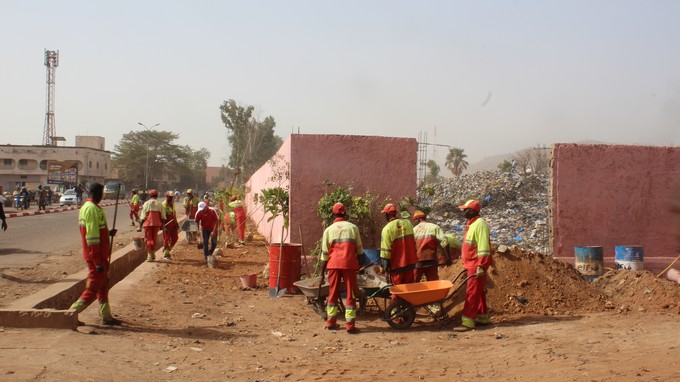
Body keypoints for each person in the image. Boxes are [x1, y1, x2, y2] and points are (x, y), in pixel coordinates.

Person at [68, 183, 120, 325]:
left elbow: (97, 230)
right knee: (93, 287)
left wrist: (108, 233)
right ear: (97, 193)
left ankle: (106, 316)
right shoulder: (90, 209)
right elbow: (91, 236)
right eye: (101, 192)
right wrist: (97, 261)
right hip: (95, 255)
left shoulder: (94, 208)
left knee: (103, 285)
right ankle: (69, 314)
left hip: (101, 254)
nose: (102, 195)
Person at [319, 203, 363, 333]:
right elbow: (359, 250)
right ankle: (350, 325)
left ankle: (331, 322)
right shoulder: (353, 228)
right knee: (351, 293)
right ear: (345, 213)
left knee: (333, 292)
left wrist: (322, 274)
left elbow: (324, 254)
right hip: (349, 264)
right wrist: (360, 266)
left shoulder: (328, 230)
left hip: (333, 265)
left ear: (334, 214)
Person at [454, 199, 493, 332]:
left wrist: (481, 265)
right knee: (479, 291)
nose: (463, 211)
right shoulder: (472, 224)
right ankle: (482, 317)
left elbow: (483, 247)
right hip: (471, 263)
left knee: (472, 292)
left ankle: (467, 321)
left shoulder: (480, 225)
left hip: (476, 264)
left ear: (472, 211)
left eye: (465, 209)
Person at [379, 203, 418, 292]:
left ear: (387, 214)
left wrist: (385, 267)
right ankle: (408, 306)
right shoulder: (407, 223)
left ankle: (396, 306)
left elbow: (386, 251)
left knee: (397, 292)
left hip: (397, 266)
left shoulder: (387, 229)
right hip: (410, 263)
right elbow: (413, 242)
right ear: (395, 212)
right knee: (409, 291)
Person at [412, 210, 449, 282]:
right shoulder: (434, 227)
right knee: (434, 283)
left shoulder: (413, 230)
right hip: (432, 260)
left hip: (418, 262)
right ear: (424, 218)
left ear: (417, 220)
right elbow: (445, 242)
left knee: (414, 283)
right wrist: (448, 258)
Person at [138, 189, 166, 262]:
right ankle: (153, 253)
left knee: (148, 239)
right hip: (156, 224)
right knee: (154, 238)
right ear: (157, 195)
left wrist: (140, 225)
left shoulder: (146, 203)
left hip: (148, 224)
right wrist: (163, 225)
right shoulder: (160, 204)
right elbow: (163, 216)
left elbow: (143, 216)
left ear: (150, 195)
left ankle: (150, 255)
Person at [161, 191, 179, 260]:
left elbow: (174, 214)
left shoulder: (173, 204)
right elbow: (163, 216)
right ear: (167, 197)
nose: (171, 198)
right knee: (166, 239)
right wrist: (164, 226)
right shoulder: (164, 204)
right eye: (170, 197)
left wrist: (176, 223)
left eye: (172, 197)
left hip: (173, 224)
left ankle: (168, 249)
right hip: (167, 224)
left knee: (175, 238)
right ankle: (166, 254)